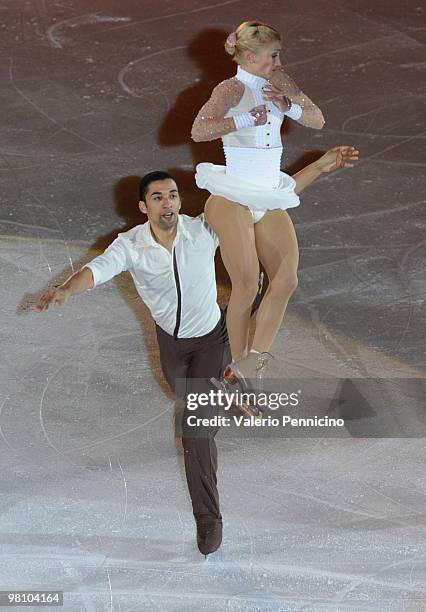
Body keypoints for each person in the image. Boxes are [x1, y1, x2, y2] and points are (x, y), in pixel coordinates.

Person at [35, 149, 358, 555]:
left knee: (197, 432)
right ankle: (226, 395)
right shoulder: (130, 245)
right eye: (157, 197)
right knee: (197, 404)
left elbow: (263, 199)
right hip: (172, 348)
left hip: (214, 339)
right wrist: (66, 288)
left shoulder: (203, 229)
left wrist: (317, 168)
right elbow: (95, 271)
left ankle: (209, 519)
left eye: (172, 195)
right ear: (143, 206)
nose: (167, 202)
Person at [191, 20, 326, 389]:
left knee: (286, 280)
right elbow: (200, 130)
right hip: (234, 194)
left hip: (268, 195)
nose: (278, 60)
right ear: (250, 55)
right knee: (248, 285)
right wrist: (246, 118)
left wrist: (290, 106)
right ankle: (235, 368)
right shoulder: (230, 88)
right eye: (273, 54)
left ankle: (250, 366)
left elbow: (317, 118)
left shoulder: (281, 82)